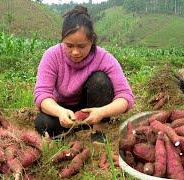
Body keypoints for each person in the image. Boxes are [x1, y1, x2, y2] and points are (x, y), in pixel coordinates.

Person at [34, 6, 134, 143]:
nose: (75, 52)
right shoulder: (52, 56)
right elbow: (42, 94)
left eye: (81, 46)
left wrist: (102, 112)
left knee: (100, 80)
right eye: (69, 46)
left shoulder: (104, 58)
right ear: (63, 40)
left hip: (92, 108)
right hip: (63, 109)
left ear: (91, 40)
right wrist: (60, 112)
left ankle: (97, 130)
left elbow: (126, 97)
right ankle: (78, 126)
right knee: (42, 123)